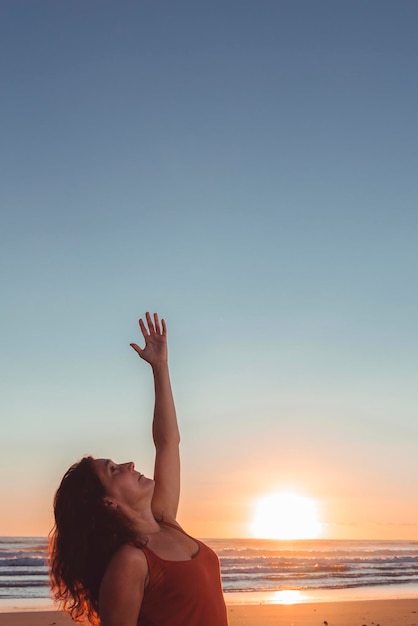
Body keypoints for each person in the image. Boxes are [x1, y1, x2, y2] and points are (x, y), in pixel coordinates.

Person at [49, 312, 229, 626]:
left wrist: (160, 368)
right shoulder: (131, 562)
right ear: (108, 502)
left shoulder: (166, 520)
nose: (130, 464)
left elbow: (168, 442)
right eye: (115, 470)